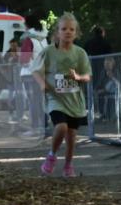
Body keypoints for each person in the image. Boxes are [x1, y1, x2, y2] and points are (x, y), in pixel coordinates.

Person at [34, 13, 92, 178]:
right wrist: (42, 83)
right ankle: (51, 156)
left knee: (72, 136)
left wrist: (78, 77)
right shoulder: (48, 52)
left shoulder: (80, 53)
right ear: (57, 32)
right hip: (55, 98)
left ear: (76, 33)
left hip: (74, 100)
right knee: (61, 127)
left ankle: (68, 165)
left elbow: (88, 76)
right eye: (64, 29)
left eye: (71, 29)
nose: (67, 32)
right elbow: (35, 70)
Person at [19, 18, 49, 137]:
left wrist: (19, 58)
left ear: (27, 26)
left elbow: (25, 58)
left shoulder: (28, 39)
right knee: (41, 101)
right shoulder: (44, 38)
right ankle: (44, 126)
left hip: (30, 73)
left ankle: (35, 128)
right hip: (42, 72)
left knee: (33, 102)